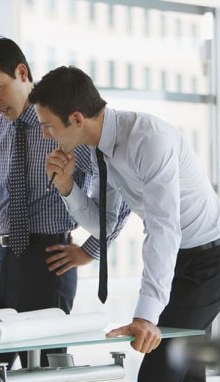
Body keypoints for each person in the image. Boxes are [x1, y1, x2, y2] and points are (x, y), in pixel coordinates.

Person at [0, 38, 130, 372]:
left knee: (45, 372)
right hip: (3, 260)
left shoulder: (62, 125)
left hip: (49, 261)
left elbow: (115, 193)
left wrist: (92, 250)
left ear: (22, 72)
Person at [28, 65, 220, 381]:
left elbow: (162, 228)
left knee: (160, 368)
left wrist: (145, 317)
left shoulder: (148, 140)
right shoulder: (97, 150)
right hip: (179, 257)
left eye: (48, 126)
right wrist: (66, 186)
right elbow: (103, 224)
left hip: (209, 258)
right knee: (187, 368)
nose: (44, 135)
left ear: (76, 119)